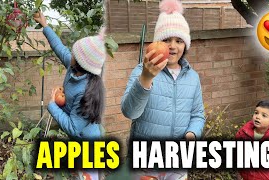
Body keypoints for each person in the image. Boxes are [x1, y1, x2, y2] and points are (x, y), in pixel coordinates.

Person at [120, 0, 205, 179]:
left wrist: (191, 134)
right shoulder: (141, 71)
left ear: (186, 45)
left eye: (179, 40)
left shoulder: (192, 77)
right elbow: (129, 112)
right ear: (157, 43)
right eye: (166, 40)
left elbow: (198, 114)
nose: (173, 46)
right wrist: (146, 78)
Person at [34, 12, 106, 140]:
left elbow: (73, 128)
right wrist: (45, 25)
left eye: (74, 53)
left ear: (80, 61)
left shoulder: (85, 92)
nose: (70, 53)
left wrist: (52, 105)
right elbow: (59, 48)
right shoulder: (73, 67)